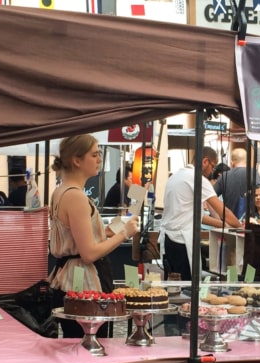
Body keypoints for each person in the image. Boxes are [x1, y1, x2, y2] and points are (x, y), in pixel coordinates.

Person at [48, 134, 139, 338]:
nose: (99, 159)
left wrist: (132, 209)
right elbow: (88, 252)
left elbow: (97, 233)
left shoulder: (62, 192)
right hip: (83, 285)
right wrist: (125, 233)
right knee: (90, 344)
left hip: (69, 280)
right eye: (95, 154)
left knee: (78, 344)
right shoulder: (76, 197)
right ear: (77, 160)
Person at [161, 146, 241, 280]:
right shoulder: (196, 178)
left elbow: (194, 215)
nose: (212, 171)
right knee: (186, 286)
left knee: (176, 286)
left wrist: (223, 224)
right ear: (205, 161)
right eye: (213, 166)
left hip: (170, 240)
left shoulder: (177, 175)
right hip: (181, 242)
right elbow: (222, 210)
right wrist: (239, 226)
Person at [214, 148, 260, 220]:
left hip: (229, 221)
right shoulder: (254, 173)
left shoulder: (224, 176)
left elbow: (210, 198)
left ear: (231, 163)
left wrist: (218, 219)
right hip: (250, 221)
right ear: (247, 161)